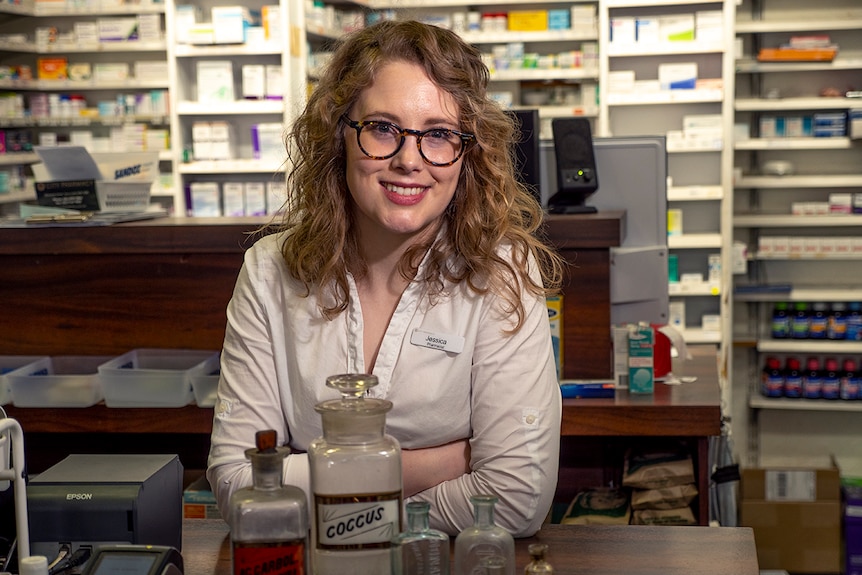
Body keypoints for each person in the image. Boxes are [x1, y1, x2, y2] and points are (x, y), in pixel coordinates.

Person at [207, 19, 565, 538]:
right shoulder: (270, 271)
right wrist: (448, 463)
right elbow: (239, 487)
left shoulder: (501, 273)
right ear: (340, 136)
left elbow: (516, 496)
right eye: (382, 128)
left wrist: (324, 491)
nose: (408, 160)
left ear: (469, 153)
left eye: (438, 135)